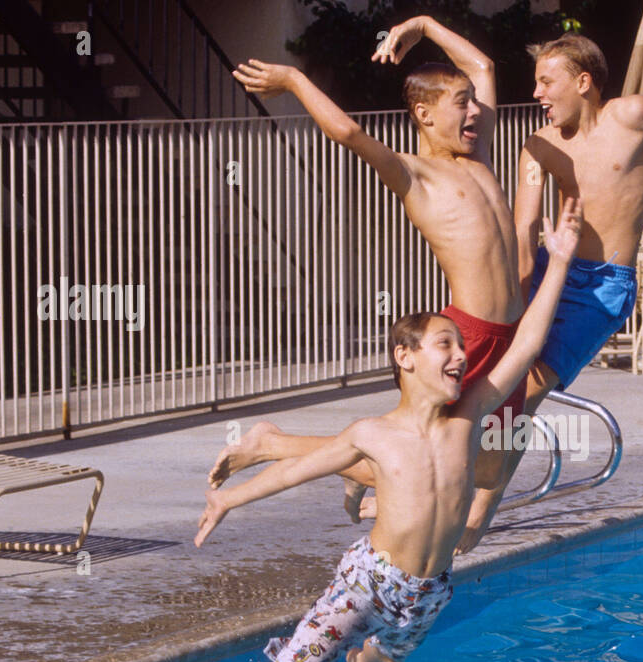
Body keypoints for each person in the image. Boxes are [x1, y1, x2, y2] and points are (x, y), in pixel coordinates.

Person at [161, 199, 583, 662]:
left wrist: (562, 264)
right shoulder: (372, 434)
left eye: (462, 348)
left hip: (430, 591)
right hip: (367, 584)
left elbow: (527, 341)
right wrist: (228, 497)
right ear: (405, 357)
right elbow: (296, 470)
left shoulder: (468, 418)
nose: (462, 355)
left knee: (384, 658)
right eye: (446, 344)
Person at [214, 15, 527, 528]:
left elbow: (482, 63)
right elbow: (347, 131)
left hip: (508, 334)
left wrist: (424, 25)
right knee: (424, 458)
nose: (475, 110)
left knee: (491, 465)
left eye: (474, 100)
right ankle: (274, 444)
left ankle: (355, 473)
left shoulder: (480, 154)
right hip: (468, 334)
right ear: (423, 114)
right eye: (461, 103)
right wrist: (293, 80)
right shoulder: (414, 175)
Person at [451, 33, 643, 553]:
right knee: (497, 383)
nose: (536, 92)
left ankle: (470, 501)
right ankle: (465, 491)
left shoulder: (633, 116)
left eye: (546, 80)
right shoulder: (539, 146)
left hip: (603, 286)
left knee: (527, 389)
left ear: (583, 82)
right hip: (547, 271)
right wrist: (512, 304)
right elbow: (523, 228)